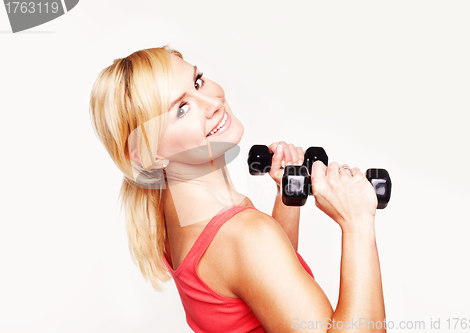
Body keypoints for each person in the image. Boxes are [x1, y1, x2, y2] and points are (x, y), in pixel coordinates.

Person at [89, 45, 386, 332]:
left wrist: (287, 197)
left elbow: (267, 282)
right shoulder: (242, 233)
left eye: (198, 81)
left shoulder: (183, 220)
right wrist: (358, 223)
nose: (213, 102)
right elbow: (253, 251)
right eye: (181, 109)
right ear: (150, 155)